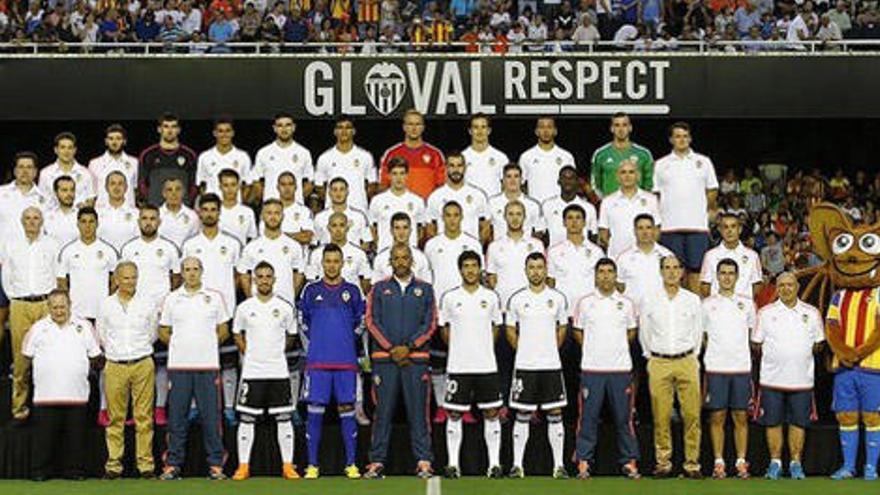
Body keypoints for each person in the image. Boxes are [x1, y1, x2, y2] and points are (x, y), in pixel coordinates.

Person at [364, 243, 436, 479]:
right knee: (382, 412)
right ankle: (376, 462)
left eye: (405, 257)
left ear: (412, 261)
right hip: (385, 360)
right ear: (390, 262)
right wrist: (391, 348)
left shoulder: (425, 290)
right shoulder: (379, 288)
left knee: (419, 412)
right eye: (397, 258)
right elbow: (371, 322)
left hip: (415, 360)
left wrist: (410, 347)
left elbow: (431, 323)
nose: (401, 261)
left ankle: (423, 460)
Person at [158, 256, 230, 481]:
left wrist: (206, 345)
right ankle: (172, 465)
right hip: (179, 367)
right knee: (177, 419)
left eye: (195, 269)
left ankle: (216, 465)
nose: (191, 273)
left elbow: (223, 330)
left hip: (208, 366)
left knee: (211, 418)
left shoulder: (214, 298)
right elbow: (163, 331)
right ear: (181, 272)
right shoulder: (172, 299)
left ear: (202, 271)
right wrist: (181, 345)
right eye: (187, 269)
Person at [300, 245, 364, 479]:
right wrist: (318, 339)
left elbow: (361, 321)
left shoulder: (353, 291)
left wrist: (346, 339)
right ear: (322, 263)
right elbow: (303, 321)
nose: (332, 265)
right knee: (314, 413)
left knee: (347, 410)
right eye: (328, 261)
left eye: (336, 261)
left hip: (346, 362)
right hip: (318, 362)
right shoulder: (310, 290)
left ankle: (351, 464)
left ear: (342, 263)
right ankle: (313, 465)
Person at [230, 262, 299, 481]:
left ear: (274, 279)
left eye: (268, 276)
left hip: (278, 371)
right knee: (247, 419)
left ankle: (287, 466)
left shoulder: (285, 307)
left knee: (284, 418)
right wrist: (250, 353)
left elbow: (291, 336)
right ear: (254, 280)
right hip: (252, 372)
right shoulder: (244, 308)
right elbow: (237, 334)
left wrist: (275, 353)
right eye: (260, 276)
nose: (264, 280)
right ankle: (243, 466)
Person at [572, 258, 640, 479]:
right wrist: (594, 350)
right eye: (601, 272)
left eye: (610, 271)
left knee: (624, 418)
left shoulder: (626, 303)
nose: (606, 276)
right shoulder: (585, 303)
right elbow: (578, 332)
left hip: (620, 370)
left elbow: (631, 333)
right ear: (595, 275)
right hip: (592, 370)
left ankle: (629, 462)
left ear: (615, 275)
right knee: (588, 418)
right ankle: (584, 461)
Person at [23, 289, 100, 481]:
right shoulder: (38, 328)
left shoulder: (84, 326)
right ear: (48, 307)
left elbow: (95, 356)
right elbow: (26, 356)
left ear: (70, 305)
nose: (59, 311)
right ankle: (40, 472)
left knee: (76, 440)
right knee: (44, 440)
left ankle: (75, 472)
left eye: (62, 306)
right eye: (55, 307)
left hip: (77, 395)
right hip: (45, 396)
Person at [439, 250, 504, 479]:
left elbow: (496, 328)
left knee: (492, 413)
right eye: (466, 266)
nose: (470, 270)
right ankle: (453, 464)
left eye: (474, 266)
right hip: (458, 365)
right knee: (454, 414)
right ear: (460, 270)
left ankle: (494, 464)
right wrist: (459, 348)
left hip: (486, 365)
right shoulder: (449, 298)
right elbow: (444, 329)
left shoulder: (492, 297)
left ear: (480, 269)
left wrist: (482, 346)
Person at [753, 272, 824, 480]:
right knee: (772, 422)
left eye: (790, 285)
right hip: (771, 380)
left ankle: (795, 463)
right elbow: (756, 344)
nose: (785, 289)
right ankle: (775, 463)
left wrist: (798, 354)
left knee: (799, 422)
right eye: (781, 285)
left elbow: (819, 343)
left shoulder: (811, 313)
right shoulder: (765, 313)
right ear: (777, 288)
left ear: (797, 287)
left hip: (801, 380)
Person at [505, 252, 569, 479]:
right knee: (522, 413)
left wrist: (551, 347)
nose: (536, 271)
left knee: (555, 412)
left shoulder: (558, 298)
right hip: (525, 365)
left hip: (551, 365)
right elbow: (510, 329)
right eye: (531, 267)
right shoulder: (517, 299)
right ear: (526, 270)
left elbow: (562, 328)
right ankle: (517, 465)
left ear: (546, 270)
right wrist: (524, 349)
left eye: (540, 267)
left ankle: (559, 466)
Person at [639, 255, 703, 479]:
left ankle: (692, 463)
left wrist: (692, 355)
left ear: (683, 272)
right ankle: (663, 462)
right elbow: (644, 333)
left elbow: (698, 333)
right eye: (667, 268)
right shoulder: (650, 299)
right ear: (661, 271)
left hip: (687, 360)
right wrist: (652, 356)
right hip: (659, 361)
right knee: (661, 415)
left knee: (692, 414)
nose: (672, 272)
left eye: (676, 268)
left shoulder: (693, 300)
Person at [181, 193, 242, 426]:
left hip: (225, 311)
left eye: (213, 209)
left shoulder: (232, 243)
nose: (208, 213)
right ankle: (195, 407)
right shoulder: (190, 245)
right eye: (204, 209)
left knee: (227, 362)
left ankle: (228, 407)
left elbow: (238, 276)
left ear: (219, 212)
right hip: (195, 312)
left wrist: (225, 300)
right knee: (196, 361)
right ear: (199, 213)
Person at [120, 204, 182, 425]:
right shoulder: (128, 249)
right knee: (134, 362)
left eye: (152, 218)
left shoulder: (169, 248)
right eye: (144, 218)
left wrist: (167, 306)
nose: (148, 222)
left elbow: (176, 279)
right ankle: (134, 409)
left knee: (161, 363)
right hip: (135, 314)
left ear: (159, 221)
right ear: (138, 222)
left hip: (162, 314)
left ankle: (159, 407)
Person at [96, 262, 158, 479]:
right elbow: (101, 334)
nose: (130, 282)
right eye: (126, 278)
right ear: (116, 280)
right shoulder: (105, 305)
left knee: (144, 417)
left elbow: (153, 333)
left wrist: (138, 351)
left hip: (142, 362)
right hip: (115, 364)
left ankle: (146, 465)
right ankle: (114, 465)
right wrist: (117, 352)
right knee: (115, 418)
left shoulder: (147, 303)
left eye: (134, 277)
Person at [424, 202, 484, 423]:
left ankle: (463, 405)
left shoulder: (472, 243)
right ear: (442, 217)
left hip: (466, 313)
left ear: (461, 217)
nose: (451, 219)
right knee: (439, 362)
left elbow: (481, 278)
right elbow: (427, 280)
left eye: (455, 215)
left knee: (463, 360)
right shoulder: (431, 245)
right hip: (440, 311)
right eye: (447, 215)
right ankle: (441, 405)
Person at [2, 206, 59, 422]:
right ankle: (19, 406)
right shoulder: (12, 245)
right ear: (21, 221)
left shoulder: (51, 245)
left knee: (48, 358)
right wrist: (16, 298)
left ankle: (46, 405)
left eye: (36, 218)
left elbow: (57, 274)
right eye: (28, 218)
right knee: (21, 358)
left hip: (46, 304)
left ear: (42, 221)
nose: (32, 222)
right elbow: (6, 276)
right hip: (20, 305)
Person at [702, 258, 756, 479]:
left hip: (741, 368)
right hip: (715, 368)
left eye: (731, 273)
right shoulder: (706, 304)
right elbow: (703, 337)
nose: (726, 277)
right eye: (722, 272)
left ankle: (741, 461)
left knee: (740, 416)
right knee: (717, 416)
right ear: (717, 276)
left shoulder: (748, 304)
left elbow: (753, 336)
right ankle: (719, 462)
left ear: (737, 276)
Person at [653, 122, 718, 292]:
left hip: (697, 226)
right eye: (677, 136)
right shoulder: (661, 164)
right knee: (673, 271)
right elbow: (656, 195)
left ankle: (694, 309)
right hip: (669, 227)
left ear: (690, 138)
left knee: (696, 270)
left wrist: (701, 209)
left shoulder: (703, 162)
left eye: (684, 136)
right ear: (671, 140)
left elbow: (712, 190)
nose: (681, 140)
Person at [826, 284, 880, 480]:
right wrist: (843, 352)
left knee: (873, 417)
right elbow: (831, 326)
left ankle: (871, 467)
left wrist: (859, 353)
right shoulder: (839, 297)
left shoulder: (879, 293)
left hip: (873, 366)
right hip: (844, 366)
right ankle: (848, 467)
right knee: (846, 416)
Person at [0, 152, 46, 361]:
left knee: (36, 326)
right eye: (21, 167)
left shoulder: (44, 198)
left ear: (36, 172)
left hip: (32, 268)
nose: (25, 171)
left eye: (29, 167)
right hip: (2, 263)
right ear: (14, 170)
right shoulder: (1, 194)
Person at [597, 159, 661, 259]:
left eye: (631, 172)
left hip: (645, 256)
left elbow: (656, 229)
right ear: (618, 177)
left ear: (638, 176)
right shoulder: (607, 202)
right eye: (623, 172)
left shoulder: (651, 199)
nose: (627, 176)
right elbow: (603, 233)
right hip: (616, 257)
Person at [487, 201, 544, 308]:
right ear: (504, 217)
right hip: (504, 305)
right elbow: (491, 278)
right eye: (511, 214)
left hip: (531, 304)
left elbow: (542, 275)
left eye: (519, 214)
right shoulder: (494, 246)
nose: (515, 218)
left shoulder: (537, 245)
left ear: (524, 217)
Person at [547, 204, 605, 307]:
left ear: (584, 223)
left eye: (578, 218)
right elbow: (550, 283)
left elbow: (601, 282)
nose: (574, 222)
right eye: (570, 218)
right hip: (564, 310)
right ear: (564, 223)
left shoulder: (597, 252)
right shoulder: (553, 252)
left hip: (589, 309)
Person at [379, 109, 445, 199]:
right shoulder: (391, 153)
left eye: (418, 124)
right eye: (410, 124)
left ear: (423, 127)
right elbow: (383, 185)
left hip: (426, 210)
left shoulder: (435, 154)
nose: (414, 128)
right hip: (399, 208)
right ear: (404, 127)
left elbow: (442, 187)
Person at [315, 117, 377, 212]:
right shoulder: (324, 158)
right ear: (335, 132)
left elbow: (372, 185)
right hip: (333, 213)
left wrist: (359, 197)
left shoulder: (365, 156)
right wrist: (335, 199)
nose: (344, 131)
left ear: (354, 131)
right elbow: (319, 187)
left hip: (359, 210)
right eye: (340, 127)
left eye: (348, 127)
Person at [426, 152, 490, 242]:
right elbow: (430, 229)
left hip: (470, 252)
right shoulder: (435, 197)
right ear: (446, 168)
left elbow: (486, 227)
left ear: (465, 168)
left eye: (459, 165)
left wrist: (476, 246)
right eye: (452, 166)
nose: (456, 170)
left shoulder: (478, 195)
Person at [137, 112, 198, 207]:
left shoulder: (189, 155)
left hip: (182, 211)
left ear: (178, 130)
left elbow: (193, 186)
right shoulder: (148, 154)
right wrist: (152, 202)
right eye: (166, 126)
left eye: (173, 127)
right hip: (156, 212)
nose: (170, 130)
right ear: (159, 129)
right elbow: (142, 184)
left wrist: (185, 204)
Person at [252, 112, 314, 204]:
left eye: (288, 125)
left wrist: (295, 199)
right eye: (280, 125)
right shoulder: (263, 153)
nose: (284, 129)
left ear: (294, 127)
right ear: (274, 128)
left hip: (296, 210)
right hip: (271, 211)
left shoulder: (303, 153)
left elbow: (310, 183)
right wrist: (269, 199)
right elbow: (256, 182)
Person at [590, 113, 654, 197]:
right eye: (617, 125)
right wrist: (605, 201)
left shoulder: (644, 154)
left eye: (624, 125)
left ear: (630, 128)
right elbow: (595, 184)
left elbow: (650, 183)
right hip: (611, 206)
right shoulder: (601, 154)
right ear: (611, 128)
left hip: (637, 206)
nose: (621, 129)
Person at [369, 157, 426, 251]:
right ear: (389, 175)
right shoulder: (377, 201)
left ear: (407, 175)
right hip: (385, 253)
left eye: (402, 173)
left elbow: (420, 231)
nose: (398, 178)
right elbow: (373, 229)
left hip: (410, 255)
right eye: (395, 173)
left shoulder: (417, 201)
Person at [700, 213, 763, 298]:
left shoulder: (752, 256)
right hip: (717, 307)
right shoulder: (710, 256)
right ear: (720, 230)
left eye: (733, 226)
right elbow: (705, 285)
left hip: (743, 307)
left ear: (740, 229)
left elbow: (757, 285)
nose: (729, 231)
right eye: (725, 227)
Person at [518, 117, 576, 203]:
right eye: (542, 127)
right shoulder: (526, 156)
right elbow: (520, 185)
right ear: (536, 131)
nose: (545, 131)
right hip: (536, 208)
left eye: (549, 127)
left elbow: (572, 184)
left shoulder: (566, 156)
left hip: (559, 207)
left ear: (555, 131)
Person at [196, 117, 253, 199]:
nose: (224, 134)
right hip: (212, 208)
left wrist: (239, 203)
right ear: (215, 133)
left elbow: (247, 184)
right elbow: (201, 185)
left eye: (227, 131)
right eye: (220, 131)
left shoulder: (243, 156)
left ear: (232, 133)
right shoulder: (205, 157)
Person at [541, 166, 597, 247]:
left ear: (577, 181)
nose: (568, 181)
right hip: (554, 255)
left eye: (571, 178)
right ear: (558, 181)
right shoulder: (547, 206)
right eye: (564, 178)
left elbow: (593, 237)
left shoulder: (589, 208)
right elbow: (543, 236)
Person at [487, 163, 545, 242]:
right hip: (500, 251)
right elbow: (486, 231)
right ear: (503, 180)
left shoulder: (533, 205)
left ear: (522, 180)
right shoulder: (492, 203)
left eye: (516, 176)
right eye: (508, 176)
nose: (513, 180)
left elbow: (539, 232)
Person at [39, 132, 97, 209]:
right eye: (63, 147)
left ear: (75, 150)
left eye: (70, 147)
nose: (66, 151)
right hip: (53, 218)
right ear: (56, 150)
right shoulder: (45, 173)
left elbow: (91, 199)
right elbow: (42, 200)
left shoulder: (85, 173)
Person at [372, 213, 434, 283]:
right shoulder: (380, 258)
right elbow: (376, 288)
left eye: (405, 227)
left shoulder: (421, 258)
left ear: (410, 230)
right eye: (397, 228)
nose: (401, 232)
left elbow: (428, 287)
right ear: (391, 231)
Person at [314, 177, 372, 250]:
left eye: (342, 189)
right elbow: (314, 242)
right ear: (329, 193)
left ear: (347, 192)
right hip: (329, 260)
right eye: (335, 190)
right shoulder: (320, 217)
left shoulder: (359, 216)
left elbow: (367, 242)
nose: (338, 193)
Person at [88, 124, 138, 208]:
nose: (114, 142)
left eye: (118, 138)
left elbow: (136, 191)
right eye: (111, 139)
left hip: (128, 213)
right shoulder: (94, 164)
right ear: (106, 141)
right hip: (101, 213)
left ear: (124, 141)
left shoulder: (134, 163)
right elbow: (91, 194)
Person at [462, 114, 509, 197]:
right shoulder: (462, 157)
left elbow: (507, 185)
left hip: (493, 207)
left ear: (489, 130)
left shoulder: (501, 157)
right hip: (470, 206)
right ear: (470, 131)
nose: (480, 131)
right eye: (476, 127)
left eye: (483, 127)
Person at [95, 171, 139, 251]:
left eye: (120, 184)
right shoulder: (96, 213)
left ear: (126, 188)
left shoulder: (137, 214)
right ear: (106, 187)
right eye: (112, 183)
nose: (116, 187)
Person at [217, 169, 258, 246]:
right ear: (220, 187)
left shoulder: (248, 212)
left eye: (233, 185)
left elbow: (252, 238)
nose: (230, 189)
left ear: (239, 186)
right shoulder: (214, 211)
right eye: (226, 185)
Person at [273, 171, 315, 246]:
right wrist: (297, 235)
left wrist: (279, 235)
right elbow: (266, 236)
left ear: (296, 187)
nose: (287, 188)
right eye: (283, 184)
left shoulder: (304, 211)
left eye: (290, 184)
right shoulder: (269, 210)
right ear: (277, 187)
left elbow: (307, 237)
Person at [158, 177, 199, 249]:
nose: (174, 193)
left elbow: (196, 242)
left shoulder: (193, 216)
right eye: (169, 190)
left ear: (183, 192)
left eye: (178, 189)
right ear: (164, 193)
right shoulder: (156, 215)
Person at [43, 175, 80, 246]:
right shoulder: (46, 216)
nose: (69, 194)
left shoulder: (82, 216)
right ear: (56, 192)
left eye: (72, 190)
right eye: (64, 190)